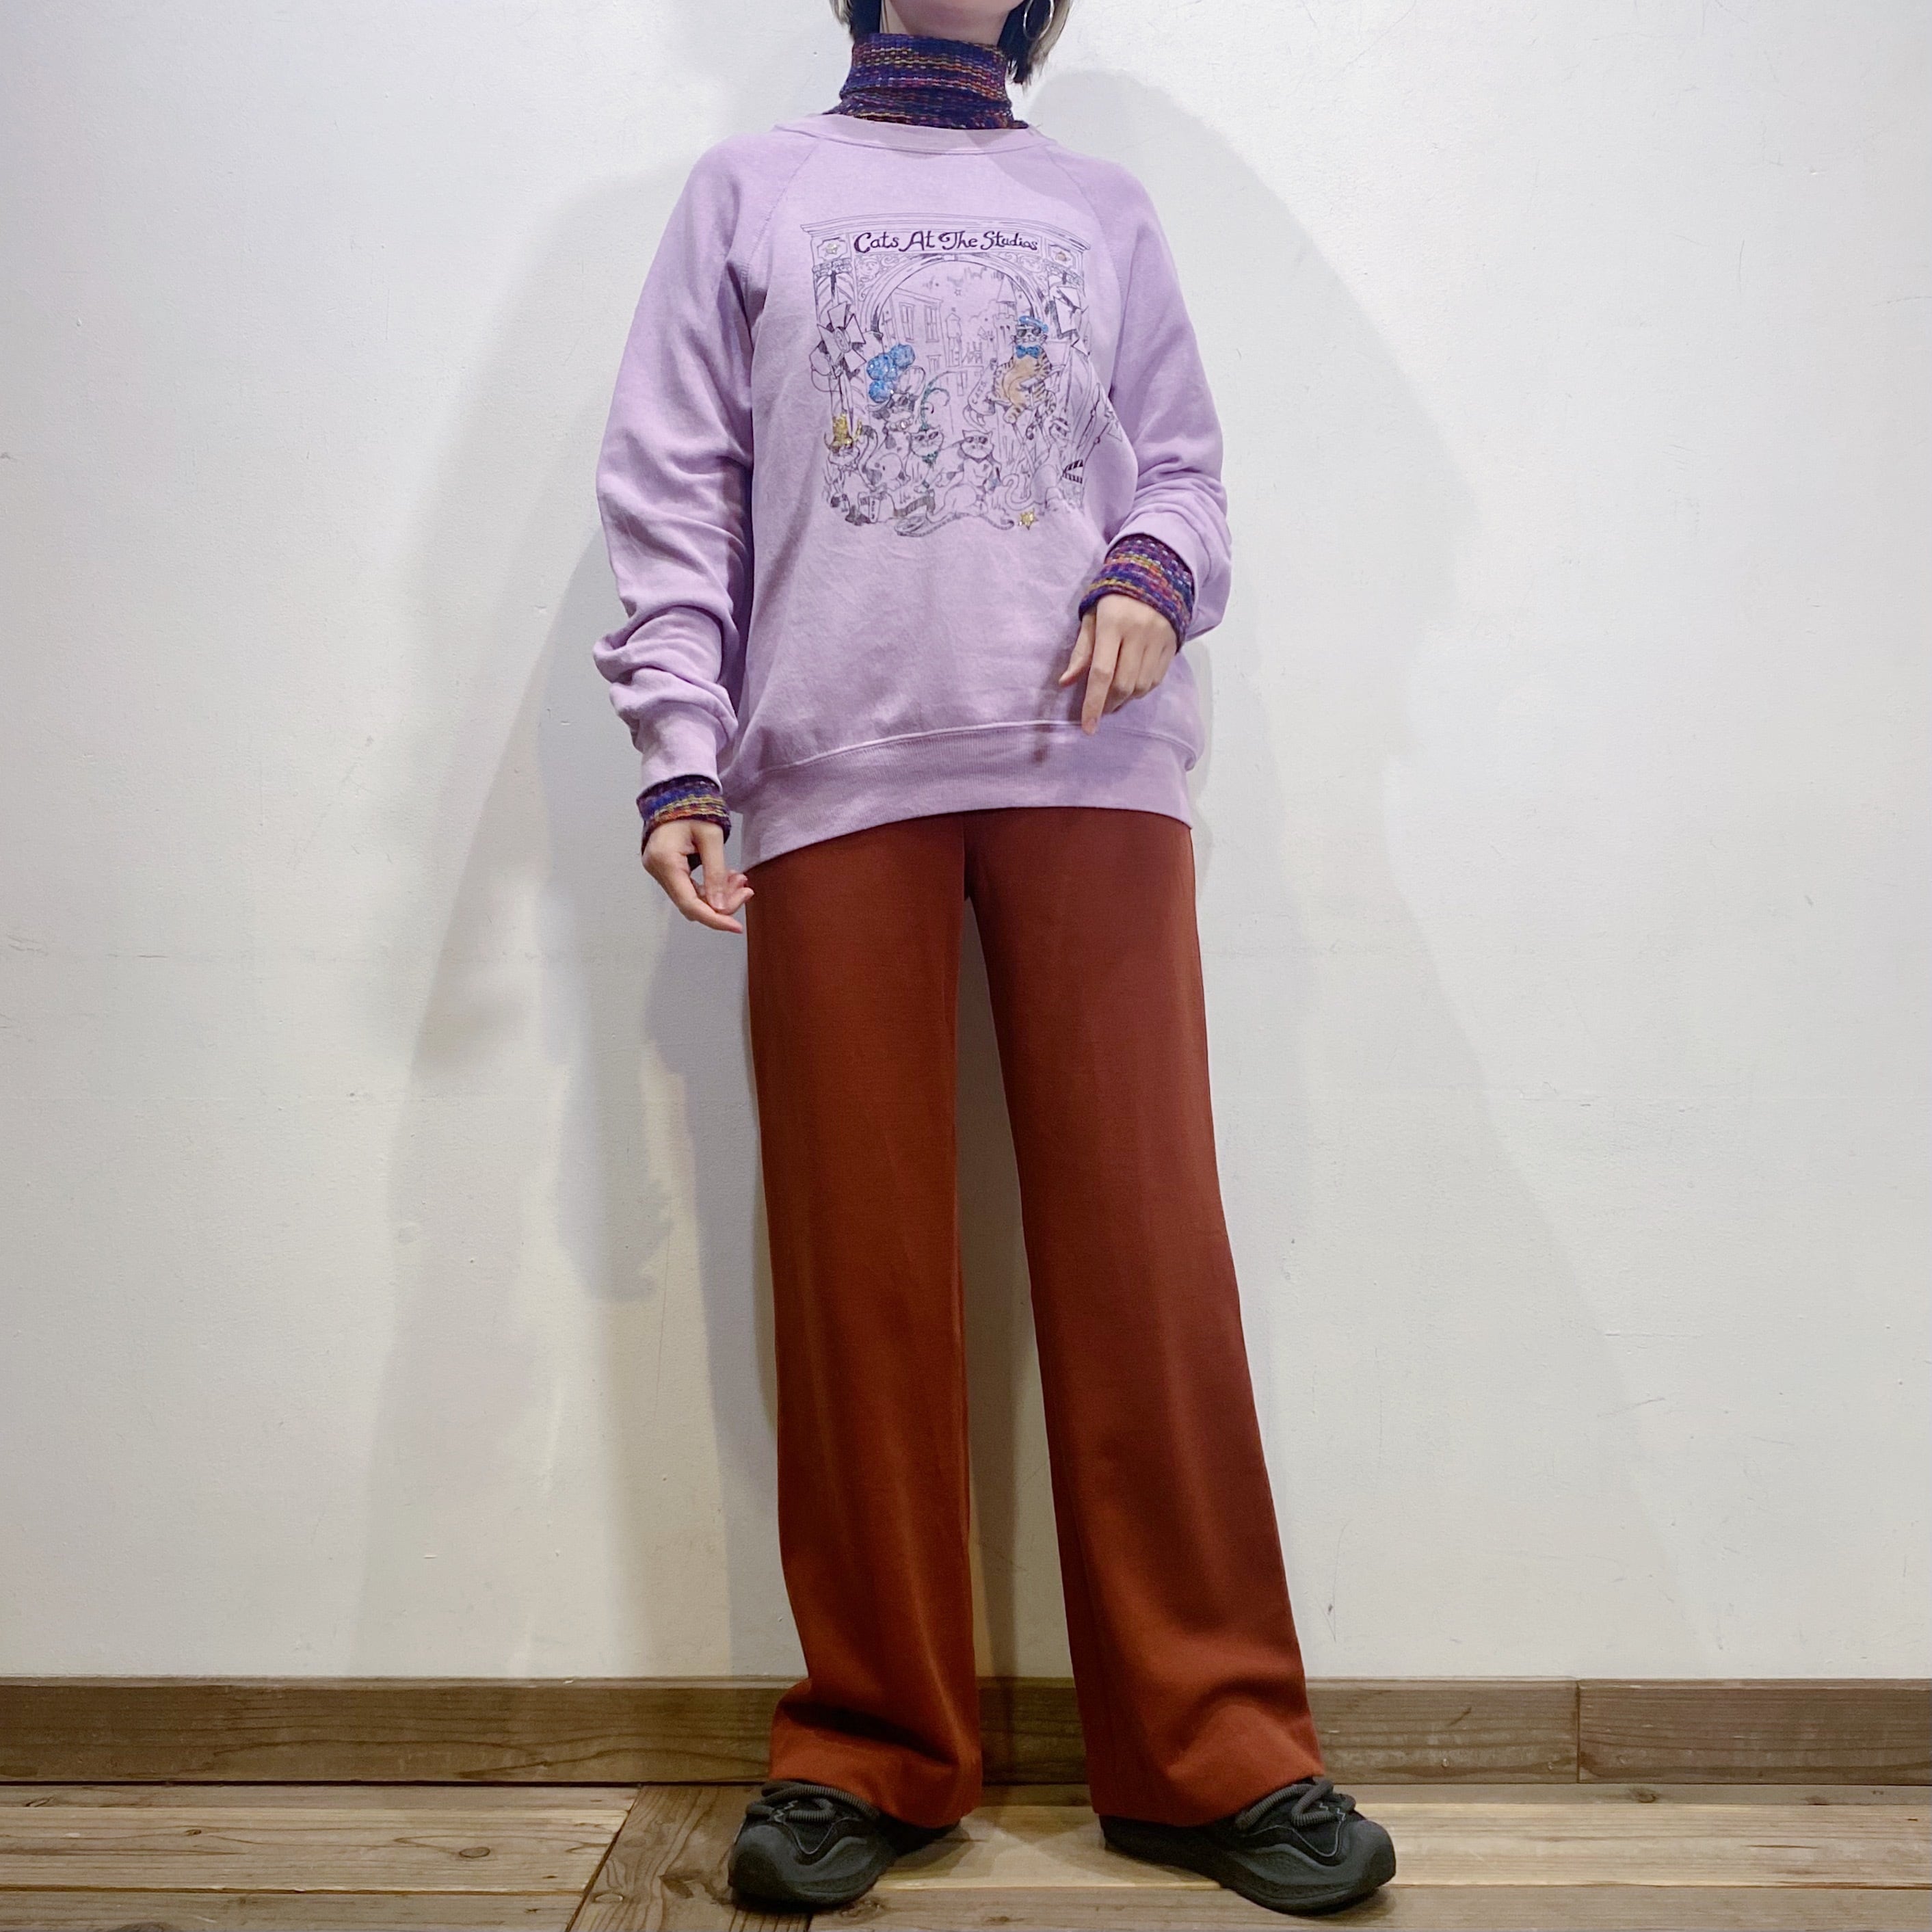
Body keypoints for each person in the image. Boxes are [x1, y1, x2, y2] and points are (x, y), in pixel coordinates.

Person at [592, 0, 1397, 1915]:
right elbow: (676, 484)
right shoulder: (749, 192)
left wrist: (1149, 579)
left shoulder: (1100, 207)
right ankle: (871, 1744)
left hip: (1089, 764)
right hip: (829, 767)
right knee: (856, 1266)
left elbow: (1183, 471)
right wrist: (677, 750)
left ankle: (1212, 1747)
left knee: (1145, 1249)